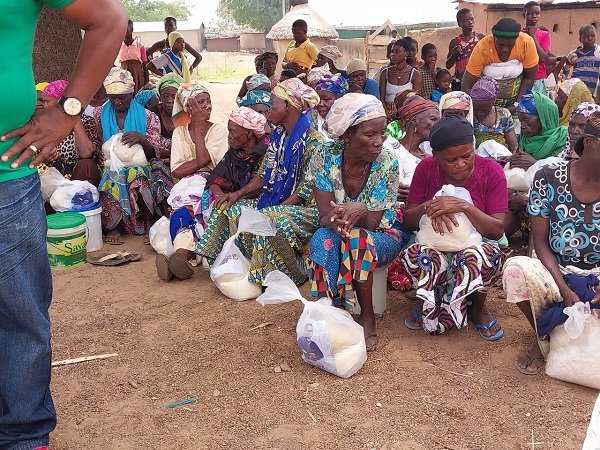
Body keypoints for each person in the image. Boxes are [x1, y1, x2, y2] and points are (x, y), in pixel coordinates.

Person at [0, 0, 126, 448]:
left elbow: (109, 19)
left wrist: (68, 110)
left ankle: (23, 438)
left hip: (5, 177)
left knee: (18, 320)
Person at [197, 78, 323, 285]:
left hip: (307, 210)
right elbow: (264, 176)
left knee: (265, 218)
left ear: (288, 106)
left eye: (273, 104)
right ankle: (225, 262)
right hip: (276, 201)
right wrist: (236, 195)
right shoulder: (279, 136)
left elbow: (304, 192)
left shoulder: (314, 142)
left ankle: (295, 272)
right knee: (229, 208)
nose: (269, 110)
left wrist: (273, 210)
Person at [502, 111, 600, 375]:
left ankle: (566, 329)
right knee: (515, 270)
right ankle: (543, 335)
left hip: (598, 275)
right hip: (556, 268)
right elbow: (541, 242)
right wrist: (563, 288)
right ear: (590, 143)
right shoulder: (550, 176)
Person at [307, 93, 402, 351]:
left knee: (358, 239)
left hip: (383, 235)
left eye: (382, 133)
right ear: (347, 135)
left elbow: (373, 221)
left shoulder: (386, 162)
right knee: (321, 241)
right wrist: (337, 222)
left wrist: (360, 210)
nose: (379, 141)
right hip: (338, 230)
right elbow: (325, 215)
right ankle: (330, 311)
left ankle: (368, 316)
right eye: (370, 135)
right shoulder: (324, 156)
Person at [400, 115, 508, 339]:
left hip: (477, 240)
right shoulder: (426, 168)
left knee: (480, 256)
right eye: (451, 160)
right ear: (436, 156)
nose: (460, 164)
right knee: (419, 254)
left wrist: (463, 206)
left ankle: (478, 310)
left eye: (466, 156)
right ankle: (430, 303)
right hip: (435, 241)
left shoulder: (491, 171)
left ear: (473, 148)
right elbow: (408, 221)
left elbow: (497, 230)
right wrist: (430, 206)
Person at [156, 106, 268, 282]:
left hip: (255, 200)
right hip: (230, 197)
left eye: (233, 131)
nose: (229, 135)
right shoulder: (235, 153)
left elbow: (261, 184)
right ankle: (181, 259)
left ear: (248, 133)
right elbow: (215, 178)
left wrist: (233, 195)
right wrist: (217, 192)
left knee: (220, 209)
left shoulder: (265, 153)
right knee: (195, 207)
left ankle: (191, 256)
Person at [94, 67, 170, 245]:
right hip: (110, 164)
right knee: (111, 176)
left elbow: (153, 154)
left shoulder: (148, 117)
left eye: (122, 98)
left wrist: (142, 140)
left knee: (136, 174)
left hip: (143, 164)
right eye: (113, 98)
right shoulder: (99, 114)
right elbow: (99, 143)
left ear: (132, 94)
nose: (117, 102)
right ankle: (115, 226)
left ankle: (148, 220)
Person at [503, 91, 568, 238]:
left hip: (551, 204)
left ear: (544, 117)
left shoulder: (562, 139)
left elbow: (563, 179)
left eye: (527, 120)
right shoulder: (526, 140)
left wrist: (534, 164)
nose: (523, 126)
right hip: (527, 199)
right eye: (520, 120)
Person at [462, 18, 539, 111]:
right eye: (501, 45)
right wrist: (484, 107)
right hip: (487, 108)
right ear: (494, 38)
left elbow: (529, 77)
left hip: (517, 103)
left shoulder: (526, 43)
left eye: (510, 45)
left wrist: (517, 105)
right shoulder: (482, 47)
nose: (505, 49)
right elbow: (467, 86)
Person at [41, 80, 102, 184]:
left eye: (47, 101)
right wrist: (46, 157)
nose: (45, 106)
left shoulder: (87, 122)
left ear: (61, 102)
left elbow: (86, 152)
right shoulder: (46, 125)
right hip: (56, 177)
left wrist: (74, 117)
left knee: (86, 164)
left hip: (80, 177)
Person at [170, 83, 229, 179]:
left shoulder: (219, 130)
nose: (208, 106)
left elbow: (203, 160)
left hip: (213, 183)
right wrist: (201, 162)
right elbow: (176, 171)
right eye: (201, 102)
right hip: (186, 186)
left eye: (209, 101)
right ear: (188, 108)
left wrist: (197, 124)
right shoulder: (179, 132)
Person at [471, 76, 518, 151]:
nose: (480, 113)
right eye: (476, 109)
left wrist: (510, 159)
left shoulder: (503, 114)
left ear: (493, 101)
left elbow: (514, 146)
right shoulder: (469, 116)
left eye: (484, 110)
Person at [380, 38, 422, 119]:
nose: (393, 54)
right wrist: (386, 113)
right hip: (387, 115)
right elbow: (381, 98)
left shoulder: (415, 74)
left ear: (406, 53)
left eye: (397, 51)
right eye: (392, 51)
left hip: (407, 114)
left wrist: (402, 114)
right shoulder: (385, 73)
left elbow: (417, 99)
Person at [446, 8, 484, 91]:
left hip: (479, 81)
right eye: (466, 20)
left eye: (472, 19)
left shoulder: (480, 38)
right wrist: (454, 53)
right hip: (460, 83)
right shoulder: (455, 42)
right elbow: (448, 65)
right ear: (459, 24)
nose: (470, 22)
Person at [148, 73, 184, 155]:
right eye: (165, 96)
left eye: (174, 96)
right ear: (159, 96)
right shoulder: (152, 114)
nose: (169, 100)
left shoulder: (186, 113)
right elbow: (151, 145)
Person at [522, 1, 552, 95]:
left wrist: (533, 36)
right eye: (530, 13)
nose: (534, 16)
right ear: (524, 15)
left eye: (537, 13)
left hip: (538, 79)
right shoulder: (519, 33)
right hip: (521, 79)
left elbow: (543, 58)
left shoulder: (544, 34)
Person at [563, 25, 600, 98]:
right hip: (576, 92)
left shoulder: (598, 52)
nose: (590, 38)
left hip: (592, 93)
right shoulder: (574, 55)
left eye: (593, 35)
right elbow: (566, 70)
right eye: (586, 37)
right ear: (580, 39)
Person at [118, 20, 148, 93]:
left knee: (138, 93)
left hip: (137, 75)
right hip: (124, 76)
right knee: (125, 95)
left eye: (126, 28)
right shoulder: (118, 45)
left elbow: (145, 66)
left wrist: (146, 81)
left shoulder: (139, 45)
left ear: (132, 29)